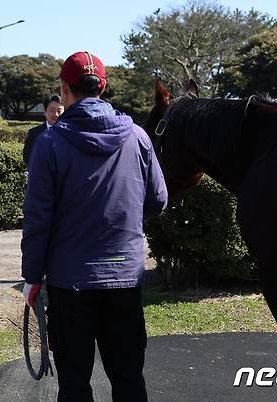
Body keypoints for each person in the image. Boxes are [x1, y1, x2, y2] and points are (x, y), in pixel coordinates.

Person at [21, 51, 168, 401]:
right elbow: (158, 200)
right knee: (129, 377)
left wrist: (32, 277)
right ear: (103, 86)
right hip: (124, 277)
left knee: (74, 382)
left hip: (70, 279)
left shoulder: (50, 142)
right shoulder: (137, 136)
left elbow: (38, 219)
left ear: (64, 87)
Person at [22, 94, 63, 166]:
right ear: (45, 111)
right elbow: (27, 158)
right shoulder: (34, 133)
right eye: (52, 110)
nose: (56, 114)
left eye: (59, 111)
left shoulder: (70, 133)